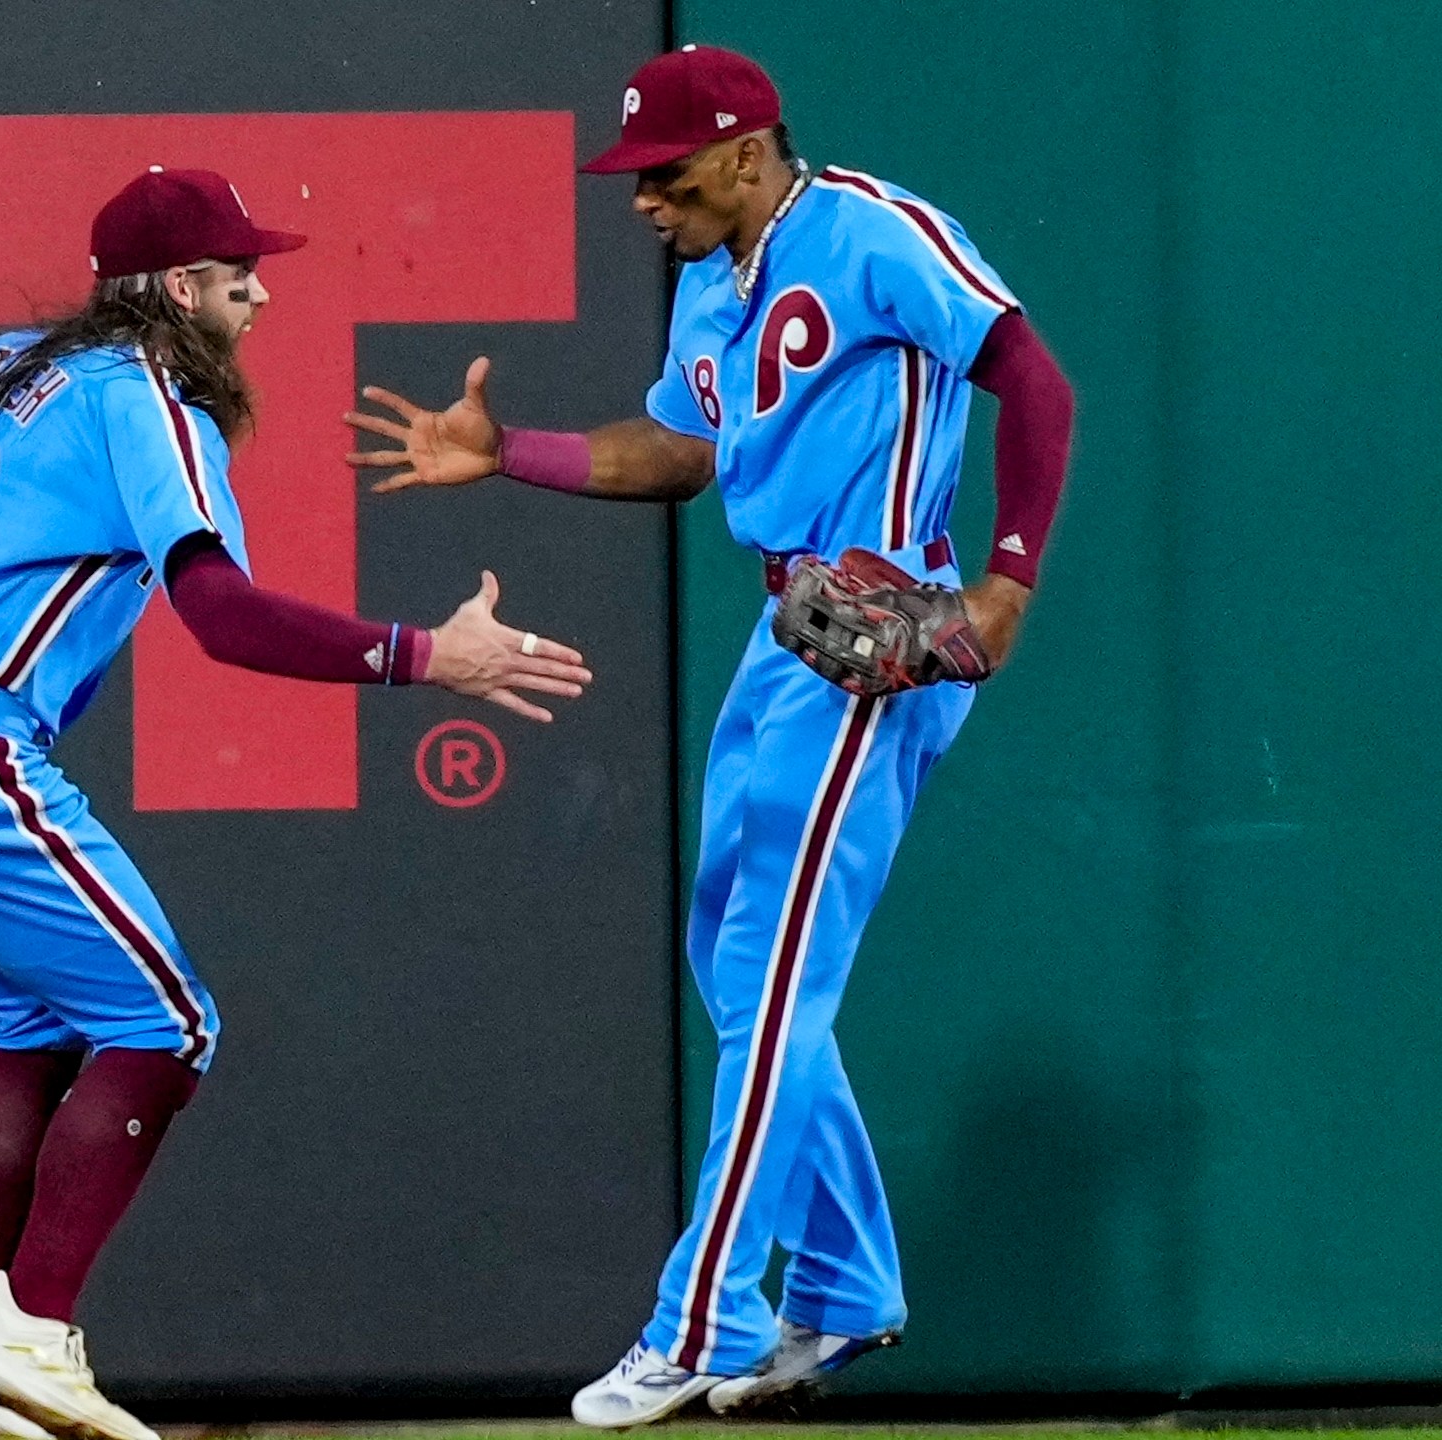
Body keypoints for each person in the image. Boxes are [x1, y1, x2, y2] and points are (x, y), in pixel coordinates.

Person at [0, 165, 591, 1440]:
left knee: (36, 1016)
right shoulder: (150, 400)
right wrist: (429, 655)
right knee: (168, 1026)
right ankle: (36, 1335)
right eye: (237, 278)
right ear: (177, 290)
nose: (259, 298)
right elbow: (222, 619)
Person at [345, 45, 1074, 1424]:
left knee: (774, 969)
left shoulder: (873, 231)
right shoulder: (706, 282)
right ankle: (845, 1287)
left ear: (747, 153)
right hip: (782, 627)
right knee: (734, 959)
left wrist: (1010, 582)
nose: (642, 200)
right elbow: (683, 454)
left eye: (664, 175)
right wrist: (512, 454)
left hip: (880, 624)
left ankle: (707, 1321)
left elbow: (1034, 381)